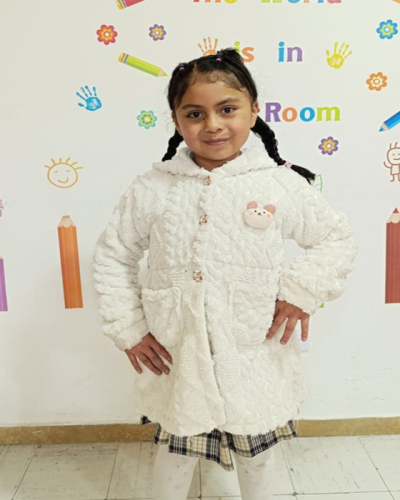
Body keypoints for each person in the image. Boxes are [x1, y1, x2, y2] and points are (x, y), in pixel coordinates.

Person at [93, 48, 358, 500]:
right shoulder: (153, 188)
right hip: (179, 352)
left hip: (253, 350)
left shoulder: (278, 183)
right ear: (177, 121)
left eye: (227, 109)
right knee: (177, 449)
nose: (212, 124)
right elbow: (113, 255)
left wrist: (300, 291)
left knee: (257, 453)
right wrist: (129, 327)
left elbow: (336, 238)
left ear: (253, 111)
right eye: (195, 113)